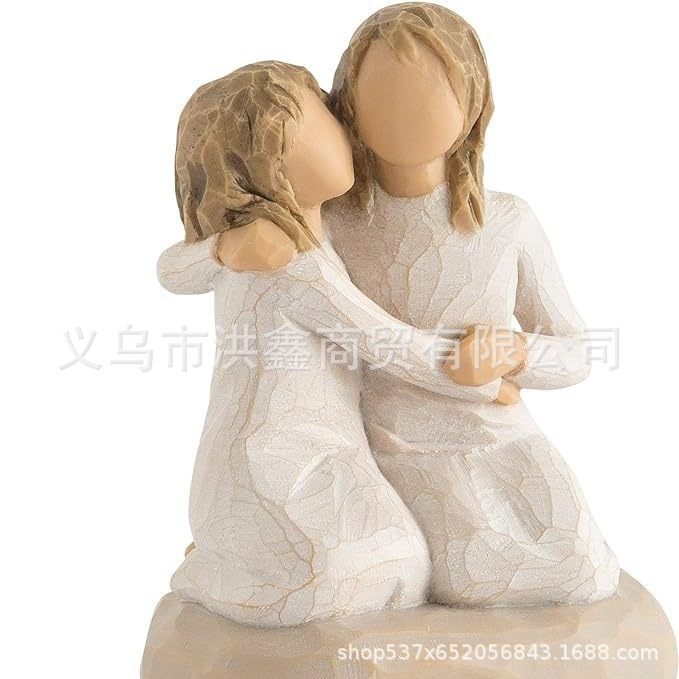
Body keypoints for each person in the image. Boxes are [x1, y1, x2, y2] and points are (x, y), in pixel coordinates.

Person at [158, 61, 514, 627]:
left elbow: (175, 267)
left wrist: (220, 249)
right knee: (366, 575)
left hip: (325, 451)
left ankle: (236, 555)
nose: (343, 122)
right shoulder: (291, 265)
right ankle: (214, 572)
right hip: (272, 460)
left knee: (401, 565)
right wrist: (481, 379)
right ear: (270, 153)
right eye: (321, 112)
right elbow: (386, 343)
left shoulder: (300, 242)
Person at [324, 2, 620, 607]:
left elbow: (577, 351)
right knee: (469, 573)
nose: (405, 109)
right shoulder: (337, 225)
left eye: (429, 90)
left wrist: (513, 354)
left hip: (502, 436)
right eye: (383, 91)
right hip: (397, 444)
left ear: (472, 101)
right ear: (350, 104)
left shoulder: (507, 221)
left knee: (586, 569)